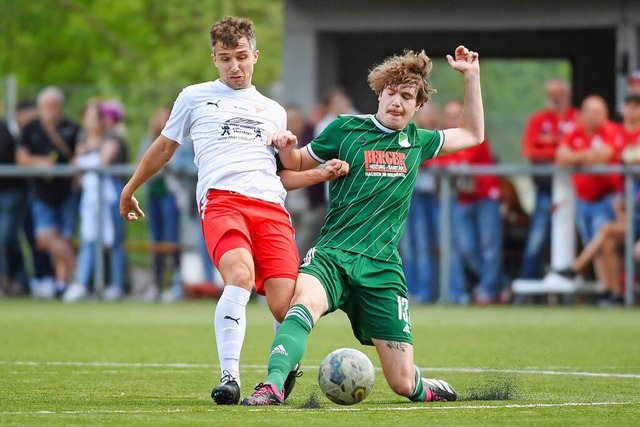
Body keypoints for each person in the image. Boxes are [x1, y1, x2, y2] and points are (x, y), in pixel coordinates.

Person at [119, 16, 348, 405]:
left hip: (272, 209)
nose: (235, 66)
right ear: (214, 59)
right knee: (239, 276)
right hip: (223, 202)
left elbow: (283, 172)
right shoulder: (193, 97)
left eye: (241, 56)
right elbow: (163, 148)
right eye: (226, 58)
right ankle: (230, 377)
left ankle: (283, 370)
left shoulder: (273, 110)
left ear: (255, 56)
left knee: (284, 304)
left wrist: (316, 170)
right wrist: (130, 188)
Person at [242, 45, 484, 406]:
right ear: (380, 93)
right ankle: (273, 385)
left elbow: (472, 133)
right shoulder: (345, 129)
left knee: (403, 384)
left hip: (382, 268)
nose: (397, 102)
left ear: (418, 106)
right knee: (302, 304)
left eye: (407, 97)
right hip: (333, 255)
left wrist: (472, 77)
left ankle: (425, 386)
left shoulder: (418, 141)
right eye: (391, 93)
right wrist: (285, 145)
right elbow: (293, 163)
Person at [552, 94, 640, 305]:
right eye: (628, 106)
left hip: (609, 199)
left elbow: (607, 155)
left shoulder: (611, 131)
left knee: (606, 235)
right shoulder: (575, 130)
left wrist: (578, 158)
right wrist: (587, 157)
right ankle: (610, 292)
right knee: (604, 245)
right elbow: (561, 156)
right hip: (602, 203)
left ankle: (576, 268)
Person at [16, 86, 80, 298]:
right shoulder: (31, 129)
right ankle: (79, 273)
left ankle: (63, 285)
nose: (52, 110)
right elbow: (21, 158)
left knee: (66, 236)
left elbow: (78, 155)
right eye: (48, 106)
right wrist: (41, 163)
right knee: (44, 238)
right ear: (41, 107)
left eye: (55, 106)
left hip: (66, 191)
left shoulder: (71, 128)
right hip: (42, 192)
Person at [445, 100, 504, 305]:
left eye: (456, 115)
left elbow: (463, 159)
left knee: (489, 246)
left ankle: (488, 290)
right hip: (464, 198)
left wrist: (446, 160)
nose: (452, 119)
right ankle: (500, 283)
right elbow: (433, 158)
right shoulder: (446, 138)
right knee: (465, 247)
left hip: (486, 196)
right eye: (449, 115)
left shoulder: (474, 132)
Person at [520, 79, 578, 279]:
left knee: (579, 238)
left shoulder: (577, 118)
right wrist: (559, 148)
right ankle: (527, 288)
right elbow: (528, 149)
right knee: (537, 237)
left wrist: (548, 145)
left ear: (567, 95)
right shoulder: (539, 119)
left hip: (576, 190)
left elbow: (580, 148)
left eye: (559, 93)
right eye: (551, 93)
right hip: (546, 188)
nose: (555, 98)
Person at [137, 106, 184, 302]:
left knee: (171, 240)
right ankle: (156, 284)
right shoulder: (149, 140)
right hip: (153, 194)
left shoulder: (180, 140)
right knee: (156, 239)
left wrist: (166, 163)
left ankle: (176, 284)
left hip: (170, 195)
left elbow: (183, 164)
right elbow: (141, 162)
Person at [398, 103, 441, 303]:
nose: (428, 118)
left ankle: (425, 292)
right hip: (410, 197)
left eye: (431, 114)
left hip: (434, 197)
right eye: (425, 114)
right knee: (408, 246)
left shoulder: (439, 136)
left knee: (429, 246)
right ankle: (411, 290)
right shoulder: (408, 135)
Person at [284, 104, 328, 259]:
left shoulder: (313, 139)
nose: (292, 124)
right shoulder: (281, 143)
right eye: (288, 120)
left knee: (301, 245)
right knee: (289, 243)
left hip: (312, 205)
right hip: (289, 205)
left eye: (295, 120)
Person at [0, 118, 28, 296]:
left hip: (11, 190)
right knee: (9, 239)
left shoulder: (4, 129)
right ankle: (21, 280)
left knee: (5, 237)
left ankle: (5, 280)